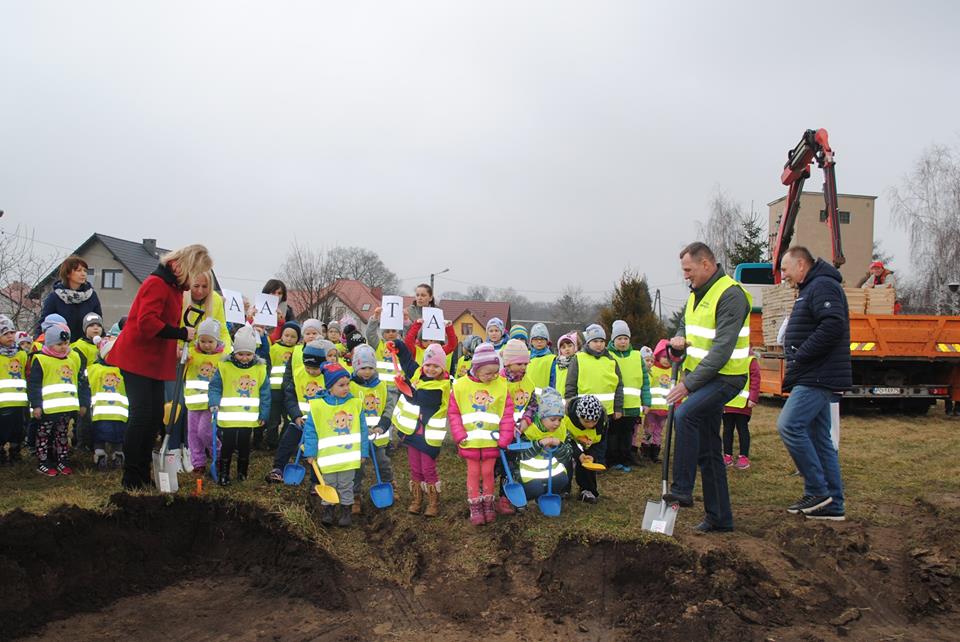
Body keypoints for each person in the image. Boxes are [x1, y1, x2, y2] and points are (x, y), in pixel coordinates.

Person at [107, 244, 213, 490]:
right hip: (137, 358)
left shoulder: (174, 287)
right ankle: (132, 476)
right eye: (196, 272)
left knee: (154, 417)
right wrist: (180, 333)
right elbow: (147, 322)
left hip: (153, 361)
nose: (196, 281)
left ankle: (144, 472)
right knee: (141, 416)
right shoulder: (157, 283)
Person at [663, 242, 751, 534]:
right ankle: (720, 517)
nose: (685, 276)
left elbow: (722, 349)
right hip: (704, 376)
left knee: (685, 414)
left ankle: (682, 489)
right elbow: (685, 326)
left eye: (688, 270)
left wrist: (687, 385)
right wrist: (677, 338)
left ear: (706, 264)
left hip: (726, 377)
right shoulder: (696, 294)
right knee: (710, 449)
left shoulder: (731, 295)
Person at [776, 246, 849, 521]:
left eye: (785, 269)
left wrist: (801, 354)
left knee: (789, 425)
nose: (783, 275)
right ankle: (833, 504)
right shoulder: (813, 287)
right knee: (820, 439)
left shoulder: (822, 286)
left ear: (802, 265)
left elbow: (832, 325)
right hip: (815, 372)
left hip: (817, 374)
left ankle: (818, 490)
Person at [448, 342, 515, 525]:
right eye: (488, 373)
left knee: (487, 472)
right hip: (469, 441)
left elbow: (507, 414)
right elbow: (454, 413)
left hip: (491, 442)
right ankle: (475, 505)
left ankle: (488, 502)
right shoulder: (461, 386)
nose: (493, 376)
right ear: (476, 370)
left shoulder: (501, 385)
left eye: (495, 372)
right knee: (473, 472)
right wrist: (460, 435)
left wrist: (504, 438)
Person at [391, 340, 452, 517]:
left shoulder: (440, 387)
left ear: (442, 368)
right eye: (428, 365)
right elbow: (408, 362)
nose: (431, 369)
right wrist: (398, 346)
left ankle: (433, 502)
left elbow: (417, 398)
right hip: (413, 434)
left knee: (428, 469)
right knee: (415, 468)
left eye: (436, 366)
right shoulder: (419, 373)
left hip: (428, 438)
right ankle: (417, 500)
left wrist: (404, 385)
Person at [303, 362, 365, 527]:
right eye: (341, 385)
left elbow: (363, 431)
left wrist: (363, 452)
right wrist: (310, 452)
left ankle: (346, 511)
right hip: (327, 458)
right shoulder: (318, 407)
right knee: (328, 484)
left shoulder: (355, 404)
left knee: (346, 485)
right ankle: (328, 509)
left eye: (348, 384)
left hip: (348, 457)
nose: (346, 388)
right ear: (330, 387)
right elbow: (310, 432)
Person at [27, 315, 91, 476]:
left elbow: (79, 381)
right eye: (59, 344)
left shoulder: (71, 359)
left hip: (66, 408)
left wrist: (82, 403)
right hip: (47, 410)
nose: (64, 347)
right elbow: (34, 385)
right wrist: (36, 405)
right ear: (49, 343)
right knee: (43, 435)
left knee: (62, 435)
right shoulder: (40, 360)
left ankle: (62, 460)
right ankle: (43, 461)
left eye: (66, 343)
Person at [264, 339, 334, 483]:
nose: (311, 371)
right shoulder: (298, 374)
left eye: (315, 368)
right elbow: (290, 397)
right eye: (308, 367)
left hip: (320, 424)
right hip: (300, 420)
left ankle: (317, 480)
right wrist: (296, 416)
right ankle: (278, 469)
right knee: (286, 442)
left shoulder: (331, 377)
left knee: (317, 450)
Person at [208, 325, 270, 485]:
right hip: (228, 418)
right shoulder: (225, 366)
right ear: (234, 352)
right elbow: (215, 387)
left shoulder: (260, 368)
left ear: (254, 353)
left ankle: (242, 472)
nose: (244, 357)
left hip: (247, 419)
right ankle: (224, 473)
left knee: (244, 446)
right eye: (240, 354)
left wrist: (264, 413)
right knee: (227, 446)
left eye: (248, 354)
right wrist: (214, 403)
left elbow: (265, 393)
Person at [349, 344, 396, 515]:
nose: (367, 372)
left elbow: (389, 408)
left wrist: (382, 426)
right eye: (362, 368)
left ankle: (389, 485)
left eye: (370, 368)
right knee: (357, 468)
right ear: (355, 367)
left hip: (377, 436)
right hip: (358, 437)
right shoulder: (350, 386)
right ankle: (355, 495)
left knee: (383, 463)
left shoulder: (382, 386)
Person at [497, 339, 537, 516]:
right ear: (508, 363)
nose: (523, 367)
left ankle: (506, 497)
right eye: (519, 363)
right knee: (496, 466)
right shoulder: (498, 381)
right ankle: (485, 496)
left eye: (525, 363)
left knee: (512, 466)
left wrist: (525, 422)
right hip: (499, 433)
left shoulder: (527, 382)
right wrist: (506, 426)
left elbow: (532, 405)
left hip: (519, 434)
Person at [184, 318, 227, 475]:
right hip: (193, 401)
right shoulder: (192, 353)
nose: (206, 345)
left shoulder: (222, 357)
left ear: (217, 340)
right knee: (193, 433)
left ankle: (218, 452)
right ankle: (198, 463)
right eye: (203, 341)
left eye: (210, 341)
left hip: (211, 403)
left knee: (205, 431)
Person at [607, 320, 651, 471]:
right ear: (613, 340)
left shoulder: (636, 356)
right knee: (613, 433)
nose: (623, 342)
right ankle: (612, 459)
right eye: (619, 338)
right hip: (615, 404)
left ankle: (626, 458)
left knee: (627, 433)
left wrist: (646, 402)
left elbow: (645, 381)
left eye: (625, 338)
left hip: (632, 405)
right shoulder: (608, 355)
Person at [516, 387, 573, 501]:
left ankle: (547, 494)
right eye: (553, 419)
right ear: (542, 417)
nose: (557, 423)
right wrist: (539, 444)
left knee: (562, 480)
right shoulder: (530, 430)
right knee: (535, 490)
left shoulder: (561, 429)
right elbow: (522, 455)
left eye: (560, 419)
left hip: (551, 470)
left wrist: (559, 446)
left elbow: (568, 455)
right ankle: (530, 493)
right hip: (530, 473)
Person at [564, 324, 624, 422]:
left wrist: (618, 408)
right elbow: (571, 384)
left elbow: (619, 386)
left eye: (602, 341)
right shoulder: (578, 359)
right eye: (595, 341)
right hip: (584, 411)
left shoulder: (611, 360)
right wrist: (570, 405)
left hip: (607, 412)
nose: (599, 344)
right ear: (588, 342)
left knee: (605, 437)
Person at [34, 255, 103, 341]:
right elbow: (44, 323)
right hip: (62, 345)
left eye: (85, 271)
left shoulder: (91, 295)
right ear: (67, 273)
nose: (83, 274)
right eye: (78, 270)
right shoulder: (55, 297)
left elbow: (99, 322)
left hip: (86, 345)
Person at [87, 337, 127, 469]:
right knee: (100, 433)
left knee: (119, 434)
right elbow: (84, 382)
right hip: (100, 413)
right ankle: (100, 454)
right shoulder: (94, 369)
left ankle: (118, 454)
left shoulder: (124, 369)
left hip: (120, 413)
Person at [263, 321, 301, 450]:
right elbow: (268, 367)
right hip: (275, 390)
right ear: (282, 335)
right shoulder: (274, 349)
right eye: (287, 335)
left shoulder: (298, 351)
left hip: (289, 391)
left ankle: (283, 442)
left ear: (298, 338)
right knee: (274, 419)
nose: (289, 339)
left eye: (293, 336)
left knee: (288, 418)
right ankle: (271, 443)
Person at [563, 394, 607, 504]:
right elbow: (566, 439)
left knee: (588, 465)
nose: (591, 425)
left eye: (594, 421)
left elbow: (601, 442)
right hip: (569, 444)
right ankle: (563, 489)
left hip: (590, 446)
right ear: (578, 416)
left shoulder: (603, 422)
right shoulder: (567, 420)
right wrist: (578, 454)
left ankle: (588, 490)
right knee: (565, 460)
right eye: (586, 421)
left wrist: (593, 455)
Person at [722, 350, 761, 470]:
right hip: (727, 402)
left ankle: (744, 456)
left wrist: (753, 398)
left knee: (742, 429)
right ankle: (727, 455)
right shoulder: (727, 357)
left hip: (743, 404)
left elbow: (755, 380)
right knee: (727, 429)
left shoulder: (750, 360)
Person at [0, 315, 28, 465]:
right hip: (3, 402)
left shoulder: (21, 354)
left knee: (18, 429)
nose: (10, 336)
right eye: (5, 333)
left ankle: (15, 451)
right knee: (2, 428)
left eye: (12, 332)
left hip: (19, 401)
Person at [641, 340, 673, 463]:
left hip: (665, 407)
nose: (666, 360)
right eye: (664, 357)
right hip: (652, 406)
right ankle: (645, 449)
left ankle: (655, 450)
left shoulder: (673, 371)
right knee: (649, 428)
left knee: (659, 430)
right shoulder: (652, 369)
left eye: (669, 358)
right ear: (658, 355)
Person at [184, 271, 233, 351]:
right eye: (196, 286)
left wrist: (225, 352)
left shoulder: (216, 299)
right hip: (184, 353)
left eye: (205, 286)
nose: (200, 291)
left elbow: (222, 331)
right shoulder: (181, 299)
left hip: (209, 353)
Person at [262, 279, 297, 344]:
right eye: (273, 292)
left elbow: (294, 329)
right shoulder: (257, 309)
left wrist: (281, 321)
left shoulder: (287, 311)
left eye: (279, 293)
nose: (276, 296)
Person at [527, 323, 555, 396]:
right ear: (531, 341)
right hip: (525, 397)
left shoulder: (552, 359)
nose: (539, 341)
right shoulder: (526, 356)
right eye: (536, 339)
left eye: (542, 339)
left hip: (544, 397)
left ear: (547, 341)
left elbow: (553, 381)